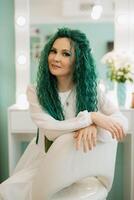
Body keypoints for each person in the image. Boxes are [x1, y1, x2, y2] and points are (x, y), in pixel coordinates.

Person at [0, 27, 128, 200]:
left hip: (80, 164)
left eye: (66, 54)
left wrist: (95, 127)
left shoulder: (92, 89)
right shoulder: (35, 91)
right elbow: (52, 131)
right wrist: (90, 117)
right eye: (53, 51)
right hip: (45, 161)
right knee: (7, 192)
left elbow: (122, 122)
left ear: (78, 60)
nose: (56, 58)